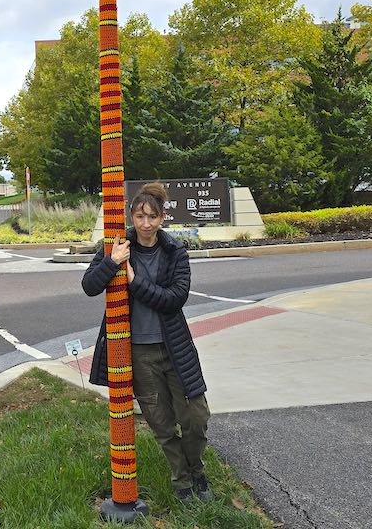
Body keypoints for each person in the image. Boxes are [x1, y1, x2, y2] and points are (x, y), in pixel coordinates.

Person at [81, 181, 213, 502]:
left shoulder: (174, 252)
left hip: (174, 348)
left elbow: (174, 298)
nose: (145, 224)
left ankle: (196, 468)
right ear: (131, 215)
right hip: (137, 353)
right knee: (162, 423)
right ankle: (182, 481)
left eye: (152, 217)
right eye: (139, 216)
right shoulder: (118, 247)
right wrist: (112, 262)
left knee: (196, 417)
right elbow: (88, 286)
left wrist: (133, 281)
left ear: (162, 217)